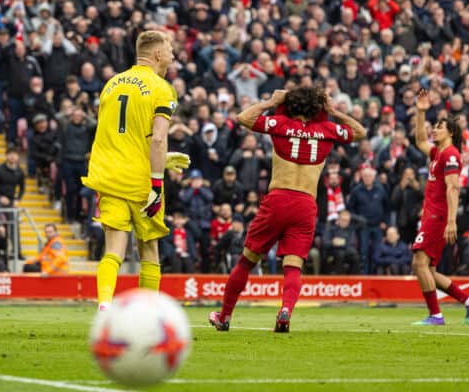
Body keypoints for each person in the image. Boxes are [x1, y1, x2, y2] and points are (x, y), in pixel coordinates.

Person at [209, 86, 366, 332]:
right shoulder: (326, 129)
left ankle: (225, 316)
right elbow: (360, 131)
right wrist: (333, 111)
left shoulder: (280, 123)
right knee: (293, 266)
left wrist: (270, 102)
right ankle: (285, 311)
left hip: (278, 199)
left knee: (247, 260)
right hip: (305, 204)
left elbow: (243, 118)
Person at [81, 31, 190, 311]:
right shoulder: (161, 88)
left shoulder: (111, 84)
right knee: (149, 248)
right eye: (169, 48)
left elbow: (120, 133)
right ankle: (146, 312)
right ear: (157, 54)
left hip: (108, 175)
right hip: (141, 181)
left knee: (113, 251)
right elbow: (157, 138)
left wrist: (161, 158)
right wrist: (156, 181)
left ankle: (105, 303)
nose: (173, 54)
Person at [412, 90, 469, 326]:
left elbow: (454, 188)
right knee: (429, 271)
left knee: (419, 263)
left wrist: (452, 220)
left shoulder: (451, 155)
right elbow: (419, 141)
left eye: (439, 127)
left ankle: (436, 315)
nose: (434, 130)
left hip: (438, 215)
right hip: (432, 215)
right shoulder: (437, 153)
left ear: (450, 132)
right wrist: (421, 112)